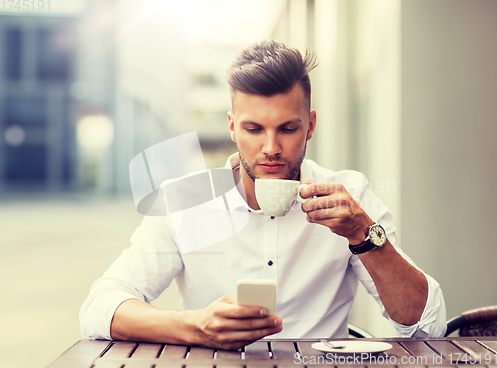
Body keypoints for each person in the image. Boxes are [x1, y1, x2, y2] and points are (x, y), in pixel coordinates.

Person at [80, 40, 446, 350]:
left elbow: (427, 326)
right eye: (254, 128)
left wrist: (364, 235)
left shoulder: (350, 195)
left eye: (288, 128)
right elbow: (99, 308)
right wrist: (195, 326)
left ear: (311, 126)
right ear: (232, 127)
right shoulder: (185, 199)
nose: (271, 148)